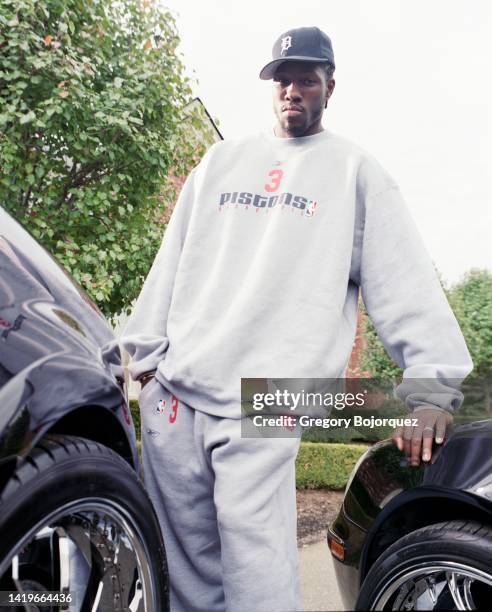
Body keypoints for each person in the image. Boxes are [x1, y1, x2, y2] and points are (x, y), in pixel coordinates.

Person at [121, 26, 472, 612]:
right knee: (182, 570)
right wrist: (143, 358)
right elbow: (171, 261)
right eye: (282, 79)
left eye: (306, 79)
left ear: (329, 87)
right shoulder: (223, 160)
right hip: (176, 394)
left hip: (266, 398)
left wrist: (432, 388)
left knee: (259, 570)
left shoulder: (355, 172)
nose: (292, 90)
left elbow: (405, 283)